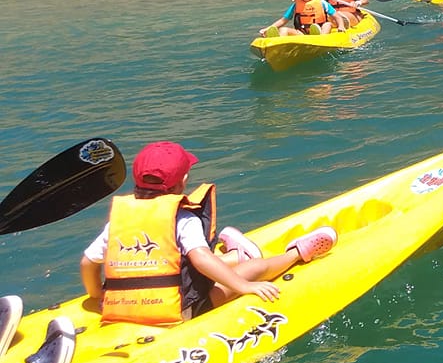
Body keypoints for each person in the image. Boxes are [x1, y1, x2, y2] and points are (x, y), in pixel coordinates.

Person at [79, 141, 336, 331]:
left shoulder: (119, 221)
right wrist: (243, 287)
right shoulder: (182, 218)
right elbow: (201, 259)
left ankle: (237, 255)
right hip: (182, 311)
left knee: (178, 261)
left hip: (123, 309)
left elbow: (88, 263)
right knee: (256, 268)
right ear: (183, 182)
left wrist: (97, 295)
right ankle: (296, 253)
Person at [259, 0, 337, 37]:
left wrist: (341, 26)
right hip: (301, 33)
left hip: (320, 30)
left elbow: (336, 15)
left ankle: (321, 39)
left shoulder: (322, 3)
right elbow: (283, 20)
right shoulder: (296, 4)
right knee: (283, 30)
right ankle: (279, 45)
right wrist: (268, 28)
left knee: (327, 25)